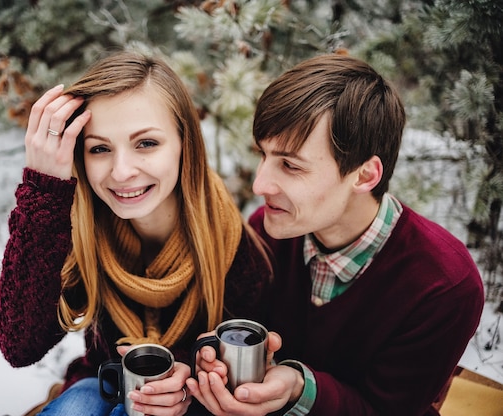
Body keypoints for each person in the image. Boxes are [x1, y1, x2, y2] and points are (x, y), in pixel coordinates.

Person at [0, 50, 272, 416]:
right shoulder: (79, 228)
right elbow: (20, 346)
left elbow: (248, 371)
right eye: (99, 148)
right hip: (102, 384)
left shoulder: (230, 242)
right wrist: (44, 189)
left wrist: (183, 373)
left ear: (184, 143)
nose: (122, 171)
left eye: (146, 143)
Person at [186, 53, 485, 415]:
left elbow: (387, 410)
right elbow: (235, 328)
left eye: (291, 165)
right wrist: (212, 355)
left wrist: (299, 388)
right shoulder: (268, 231)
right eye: (262, 155)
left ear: (364, 176)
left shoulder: (443, 285)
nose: (260, 183)